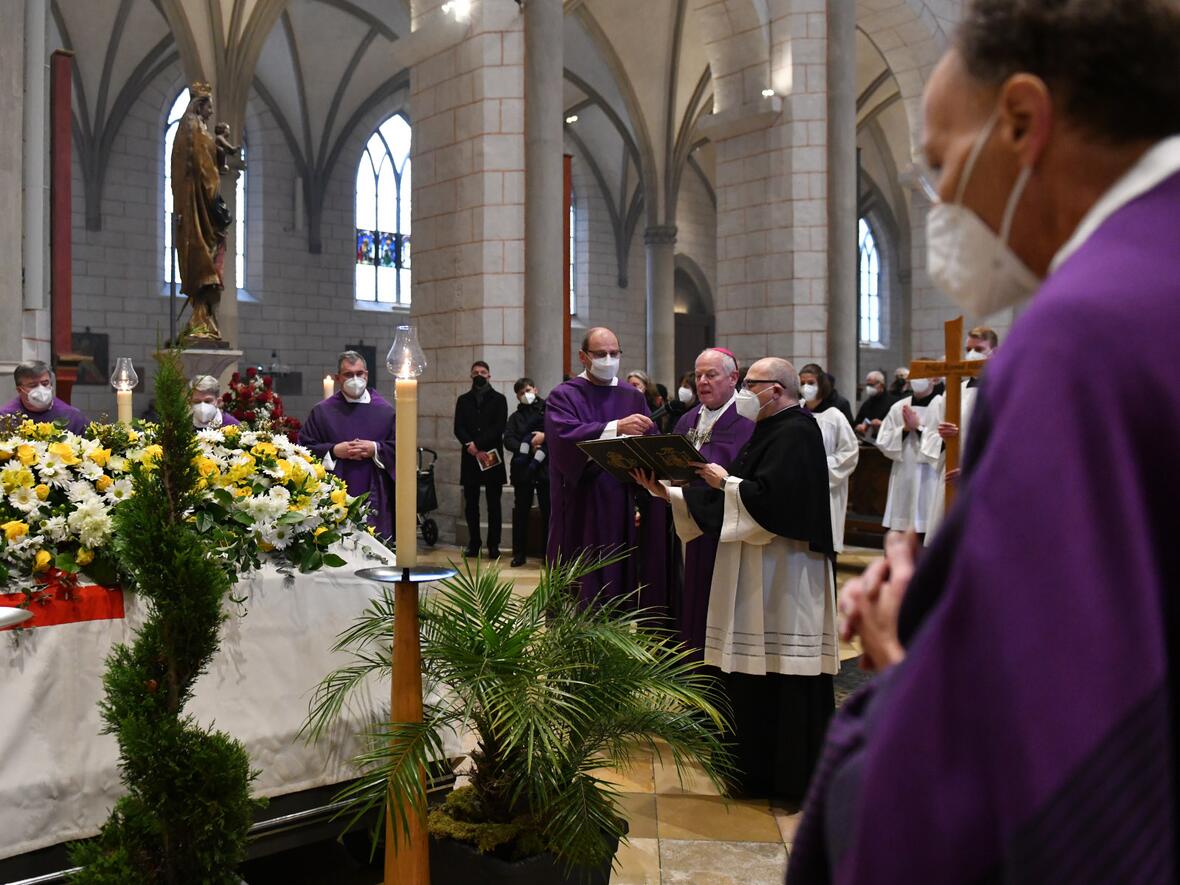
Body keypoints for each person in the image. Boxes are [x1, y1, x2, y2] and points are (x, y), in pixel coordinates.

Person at [789, 2, 1180, 880]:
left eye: (939, 164)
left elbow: (1043, 774)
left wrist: (908, 674)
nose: (937, 203)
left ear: (1022, 122)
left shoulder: (1081, 340)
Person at [635, 357, 836, 804]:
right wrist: (668, 495)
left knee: (784, 672)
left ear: (777, 390)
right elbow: (740, 494)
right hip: (757, 570)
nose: (745, 392)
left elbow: (776, 502)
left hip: (786, 575)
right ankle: (754, 773)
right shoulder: (768, 430)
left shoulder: (799, 431)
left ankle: (792, 780)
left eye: (751, 384)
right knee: (753, 674)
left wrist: (727, 481)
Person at [544, 326, 667, 608]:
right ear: (583, 357)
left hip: (618, 501)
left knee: (615, 576)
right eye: (601, 354)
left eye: (614, 353)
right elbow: (563, 439)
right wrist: (615, 427)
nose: (609, 360)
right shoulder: (564, 395)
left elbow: (650, 437)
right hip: (579, 502)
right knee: (578, 576)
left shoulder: (631, 395)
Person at [669, 347, 755, 659]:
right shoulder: (688, 419)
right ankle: (692, 662)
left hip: (727, 525)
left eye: (711, 375)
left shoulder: (748, 421)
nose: (702, 382)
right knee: (690, 594)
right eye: (698, 375)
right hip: (688, 520)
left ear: (733, 378)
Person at [299, 351, 396, 540]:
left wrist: (375, 448)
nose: (355, 379)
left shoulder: (385, 411)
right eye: (348, 375)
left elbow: (400, 447)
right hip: (335, 492)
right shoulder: (323, 412)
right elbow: (304, 448)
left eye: (359, 374)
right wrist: (334, 451)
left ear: (366, 375)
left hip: (374, 491)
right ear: (337, 378)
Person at [917, 326, 999, 541]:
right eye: (968, 349)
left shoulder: (1003, 388)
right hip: (950, 478)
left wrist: (973, 470)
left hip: (985, 481)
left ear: (995, 352)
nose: (971, 355)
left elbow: (1007, 441)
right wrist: (944, 440)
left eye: (979, 349)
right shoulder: (954, 390)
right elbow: (930, 436)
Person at [800, 366, 860, 555]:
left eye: (811, 383)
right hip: (797, 487)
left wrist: (819, 467)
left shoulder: (835, 416)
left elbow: (849, 452)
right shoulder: (795, 412)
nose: (806, 387)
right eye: (802, 383)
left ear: (821, 384)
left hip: (826, 487)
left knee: (823, 545)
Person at [874, 372, 939, 538]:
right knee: (900, 528)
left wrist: (918, 428)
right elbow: (883, 440)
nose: (918, 379)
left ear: (934, 378)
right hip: (904, 473)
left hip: (930, 476)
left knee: (928, 527)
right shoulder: (899, 407)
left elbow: (943, 444)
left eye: (922, 374)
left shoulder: (942, 404)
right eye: (915, 374)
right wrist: (904, 430)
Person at [453, 361, 508, 559]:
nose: (479, 375)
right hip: (470, 458)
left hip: (491, 456)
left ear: (489, 376)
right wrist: (471, 447)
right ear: (471, 375)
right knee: (471, 504)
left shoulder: (499, 399)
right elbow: (458, 427)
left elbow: (499, 427)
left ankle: (494, 545)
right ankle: (474, 543)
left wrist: (478, 444)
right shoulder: (463, 400)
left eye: (483, 372)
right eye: (476, 372)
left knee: (494, 504)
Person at [503, 377, 548, 567]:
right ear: (517, 396)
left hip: (545, 467)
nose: (525, 395)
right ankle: (519, 554)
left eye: (528, 390)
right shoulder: (515, 417)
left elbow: (557, 432)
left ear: (535, 390)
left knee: (548, 511)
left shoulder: (549, 410)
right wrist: (528, 446)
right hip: (523, 469)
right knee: (521, 512)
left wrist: (543, 442)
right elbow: (508, 439)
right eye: (521, 393)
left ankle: (548, 553)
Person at [1, 361, 88, 434]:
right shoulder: (5, 418)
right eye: (33, 385)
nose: (40, 389)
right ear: (19, 390)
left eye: (45, 383)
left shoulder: (72, 416)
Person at [852, 370, 895, 439]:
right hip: (868, 442)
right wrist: (858, 427)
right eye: (867, 385)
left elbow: (897, 425)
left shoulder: (893, 402)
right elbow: (857, 423)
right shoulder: (867, 404)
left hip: (886, 442)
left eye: (871, 385)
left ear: (881, 385)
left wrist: (882, 424)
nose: (869, 388)